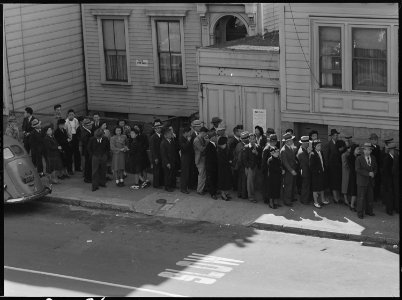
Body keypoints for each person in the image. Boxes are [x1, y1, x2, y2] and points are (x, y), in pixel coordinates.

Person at [355, 142, 377, 219]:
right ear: (363, 150)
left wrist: (374, 173)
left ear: (371, 151)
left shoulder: (373, 158)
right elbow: (358, 169)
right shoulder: (359, 158)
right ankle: (360, 213)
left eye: (369, 150)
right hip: (362, 181)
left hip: (370, 181)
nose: (367, 151)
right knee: (361, 198)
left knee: (370, 197)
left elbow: (375, 168)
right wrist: (368, 173)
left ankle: (369, 211)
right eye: (365, 150)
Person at [280, 132, 298, 206]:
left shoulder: (290, 147)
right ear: (287, 141)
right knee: (288, 186)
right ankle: (287, 201)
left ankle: (291, 198)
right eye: (291, 140)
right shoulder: (283, 150)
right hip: (288, 171)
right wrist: (291, 170)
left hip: (292, 169)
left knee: (292, 185)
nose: (292, 141)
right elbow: (285, 163)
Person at [325, 128, 342, 204]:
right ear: (331, 136)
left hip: (338, 166)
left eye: (337, 135)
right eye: (335, 135)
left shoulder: (339, 143)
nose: (336, 136)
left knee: (337, 182)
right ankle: (335, 198)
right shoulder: (329, 144)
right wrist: (327, 166)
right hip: (332, 167)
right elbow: (326, 156)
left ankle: (337, 197)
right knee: (333, 182)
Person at [309, 139, 328, 208]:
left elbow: (323, 162)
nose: (320, 147)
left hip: (322, 173)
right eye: (318, 146)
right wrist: (317, 172)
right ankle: (316, 202)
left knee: (322, 187)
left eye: (320, 145)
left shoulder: (321, 152)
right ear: (314, 146)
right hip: (316, 175)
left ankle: (322, 200)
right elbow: (311, 166)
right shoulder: (312, 154)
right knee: (315, 188)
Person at [261, 134, 279, 204]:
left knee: (272, 186)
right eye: (272, 141)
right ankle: (266, 199)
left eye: (275, 141)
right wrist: (264, 172)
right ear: (270, 141)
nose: (274, 142)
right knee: (267, 186)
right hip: (267, 171)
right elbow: (263, 162)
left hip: (274, 171)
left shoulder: (276, 148)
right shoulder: (266, 149)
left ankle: (272, 199)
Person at [243, 133, 260, 203]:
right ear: (249, 139)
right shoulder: (246, 147)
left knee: (254, 182)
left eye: (253, 139)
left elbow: (260, 157)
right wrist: (248, 167)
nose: (252, 140)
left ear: (255, 139)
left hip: (256, 167)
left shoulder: (258, 147)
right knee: (250, 184)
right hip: (250, 168)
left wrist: (256, 153)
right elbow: (244, 159)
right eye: (251, 139)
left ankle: (254, 195)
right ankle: (251, 197)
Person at [160, 126, 177, 192]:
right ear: (165, 135)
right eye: (170, 134)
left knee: (171, 174)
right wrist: (167, 163)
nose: (171, 135)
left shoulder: (172, 141)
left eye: (171, 134)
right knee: (167, 175)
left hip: (172, 160)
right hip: (167, 162)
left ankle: (172, 185)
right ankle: (167, 186)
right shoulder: (163, 143)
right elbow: (163, 154)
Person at [382, 143, 398, 215]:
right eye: (394, 150)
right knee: (389, 195)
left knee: (395, 194)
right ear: (391, 151)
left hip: (395, 180)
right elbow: (385, 171)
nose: (396, 152)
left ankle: (396, 208)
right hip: (389, 180)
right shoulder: (387, 159)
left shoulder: (396, 158)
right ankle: (389, 210)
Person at [297, 136, 312, 205]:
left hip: (304, 171)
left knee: (305, 186)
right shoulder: (302, 152)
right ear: (305, 144)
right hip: (305, 171)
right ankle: (304, 200)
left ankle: (305, 199)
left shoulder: (302, 149)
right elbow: (308, 162)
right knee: (305, 186)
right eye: (308, 143)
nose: (308, 144)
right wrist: (309, 154)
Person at [193, 126, 209, 195]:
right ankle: (199, 190)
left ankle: (202, 188)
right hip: (199, 159)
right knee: (201, 175)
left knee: (203, 175)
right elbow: (201, 149)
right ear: (202, 132)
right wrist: (207, 143)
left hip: (202, 159)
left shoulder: (201, 138)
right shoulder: (196, 140)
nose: (206, 135)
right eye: (205, 133)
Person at [65, 109, 81, 174]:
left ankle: (77, 167)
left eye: (72, 114)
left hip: (75, 137)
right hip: (69, 138)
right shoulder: (66, 122)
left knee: (77, 153)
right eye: (70, 115)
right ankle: (70, 169)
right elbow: (65, 131)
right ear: (68, 115)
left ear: (74, 115)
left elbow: (77, 129)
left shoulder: (76, 120)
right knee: (69, 155)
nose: (71, 116)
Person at [149, 119, 164, 188]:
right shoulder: (153, 137)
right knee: (156, 171)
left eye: (160, 128)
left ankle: (161, 182)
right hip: (156, 156)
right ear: (155, 129)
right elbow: (152, 149)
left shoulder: (162, 136)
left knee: (160, 170)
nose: (159, 129)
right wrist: (155, 158)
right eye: (157, 128)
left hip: (161, 156)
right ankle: (156, 184)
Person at [228, 125, 242, 192]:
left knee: (237, 173)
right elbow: (231, 151)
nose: (241, 132)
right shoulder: (233, 141)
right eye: (240, 131)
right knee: (234, 174)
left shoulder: (239, 140)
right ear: (236, 132)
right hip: (234, 160)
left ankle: (236, 186)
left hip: (238, 159)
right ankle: (234, 187)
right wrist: (231, 160)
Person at [217, 136, 232, 201]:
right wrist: (228, 161)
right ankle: (223, 194)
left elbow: (230, 155)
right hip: (222, 168)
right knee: (222, 181)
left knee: (227, 180)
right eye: (225, 143)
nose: (226, 144)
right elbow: (221, 160)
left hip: (227, 168)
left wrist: (230, 160)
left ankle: (226, 193)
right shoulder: (219, 151)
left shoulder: (226, 149)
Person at [236, 131, 250, 199]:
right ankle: (244, 195)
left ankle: (240, 193)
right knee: (244, 180)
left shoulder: (238, 145)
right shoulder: (244, 146)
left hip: (239, 165)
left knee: (240, 180)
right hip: (243, 165)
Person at [205, 130, 219, 199]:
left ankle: (215, 191)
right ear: (212, 137)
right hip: (211, 166)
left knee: (215, 179)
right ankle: (212, 193)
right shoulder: (209, 146)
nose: (216, 137)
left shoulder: (214, 144)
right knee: (211, 180)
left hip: (214, 166)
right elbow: (210, 157)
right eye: (215, 136)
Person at [179, 127, 193, 194]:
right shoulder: (181, 138)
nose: (190, 133)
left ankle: (186, 186)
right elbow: (184, 148)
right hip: (184, 158)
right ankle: (183, 188)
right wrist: (188, 141)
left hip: (188, 157)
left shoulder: (186, 138)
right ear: (186, 132)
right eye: (190, 132)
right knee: (185, 173)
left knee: (187, 173)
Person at [368, 133, 382, 203]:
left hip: (378, 167)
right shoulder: (370, 148)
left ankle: (376, 196)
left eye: (376, 139)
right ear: (372, 140)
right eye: (374, 140)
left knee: (377, 182)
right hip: (373, 166)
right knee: (372, 182)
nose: (376, 141)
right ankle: (372, 196)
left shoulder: (378, 147)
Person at [80, 118, 94, 183]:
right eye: (90, 125)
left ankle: (88, 177)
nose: (91, 126)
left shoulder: (87, 131)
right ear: (87, 126)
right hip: (87, 151)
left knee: (88, 164)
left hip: (87, 151)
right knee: (88, 165)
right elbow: (87, 144)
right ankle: (88, 178)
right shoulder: (85, 133)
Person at [189, 120, 202, 189]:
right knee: (194, 171)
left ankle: (196, 184)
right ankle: (193, 184)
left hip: (198, 156)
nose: (200, 127)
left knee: (197, 171)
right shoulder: (192, 135)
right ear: (195, 127)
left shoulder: (199, 134)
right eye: (198, 126)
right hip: (194, 155)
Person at [347, 144, 361, 211]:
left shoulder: (359, 156)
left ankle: (353, 203)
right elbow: (352, 168)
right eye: (357, 149)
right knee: (354, 191)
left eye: (359, 149)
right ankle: (352, 205)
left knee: (355, 191)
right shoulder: (350, 157)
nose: (359, 150)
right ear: (353, 150)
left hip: (358, 176)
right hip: (353, 176)